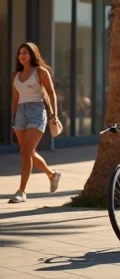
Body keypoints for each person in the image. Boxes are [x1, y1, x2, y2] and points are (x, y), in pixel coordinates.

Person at [9, 43, 61, 203]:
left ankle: (21, 191)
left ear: (32, 54)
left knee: (25, 152)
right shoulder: (15, 75)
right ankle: (52, 175)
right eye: (20, 53)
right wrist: (13, 117)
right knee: (28, 152)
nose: (22, 56)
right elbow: (15, 98)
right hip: (20, 114)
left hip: (37, 112)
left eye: (25, 52)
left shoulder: (40, 72)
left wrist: (55, 115)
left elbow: (51, 94)